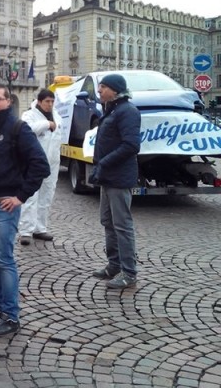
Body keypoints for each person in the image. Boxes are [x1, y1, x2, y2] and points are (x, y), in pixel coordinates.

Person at [0, 82, 50, 337]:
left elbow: (40, 165)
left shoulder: (18, 128)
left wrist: (20, 197)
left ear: (7, 101)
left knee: (4, 260)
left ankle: (11, 315)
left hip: (3, 207)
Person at [90, 74, 141, 289]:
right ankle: (114, 265)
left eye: (103, 87)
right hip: (108, 177)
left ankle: (129, 272)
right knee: (108, 223)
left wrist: (104, 163)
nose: (99, 90)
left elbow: (131, 145)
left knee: (122, 226)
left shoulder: (127, 111)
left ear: (115, 89)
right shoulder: (111, 110)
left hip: (119, 178)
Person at [18, 89, 63, 245]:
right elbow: (27, 130)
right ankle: (25, 231)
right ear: (39, 101)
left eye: (52, 101)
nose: (50, 105)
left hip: (52, 162)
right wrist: (46, 124)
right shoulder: (29, 115)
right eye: (47, 101)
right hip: (33, 163)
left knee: (46, 196)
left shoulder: (57, 115)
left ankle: (40, 228)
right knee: (31, 196)